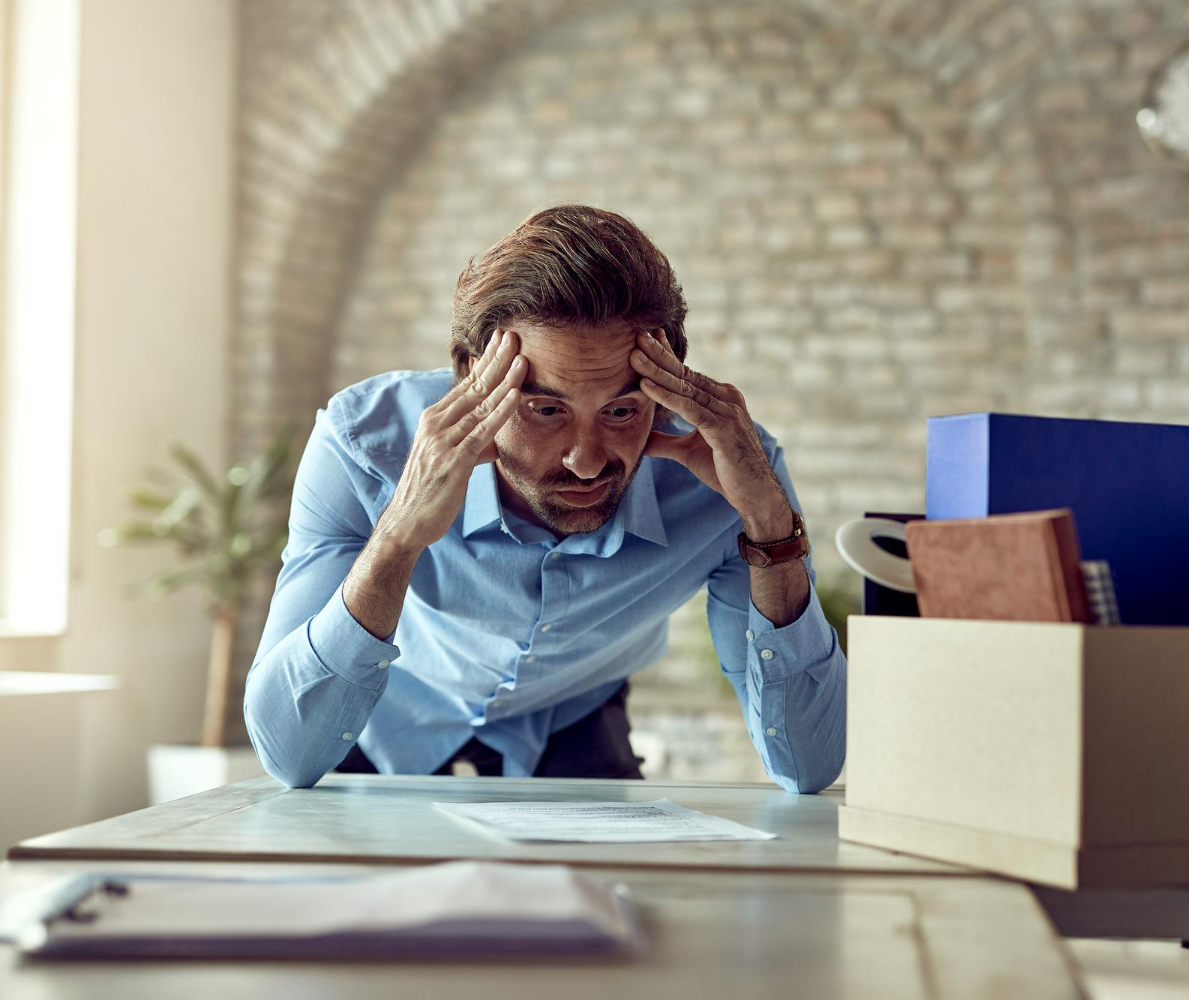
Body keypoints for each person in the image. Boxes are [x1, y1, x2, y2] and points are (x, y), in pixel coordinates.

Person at [244, 205, 846, 793]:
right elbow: (288, 756)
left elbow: (809, 768)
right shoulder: (362, 443)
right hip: (377, 707)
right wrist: (400, 533)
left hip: (572, 711)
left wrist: (770, 524)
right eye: (546, 409)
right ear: (473, 377)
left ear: (667, 388)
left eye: (621, 410)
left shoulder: (733, 473)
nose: (586, 461)